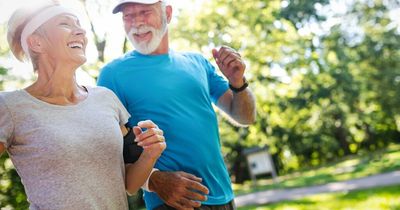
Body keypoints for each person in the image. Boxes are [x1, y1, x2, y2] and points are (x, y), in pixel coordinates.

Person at [0, 2, 166, 209]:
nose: (80, 31)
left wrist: (151, 153)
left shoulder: (106, 99)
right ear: (37, 42)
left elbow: (129, 184)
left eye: (79, 24)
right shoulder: (10, 106)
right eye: (65, 24)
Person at [98, 0, 256, 209]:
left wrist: (238, 83)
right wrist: (155, 181)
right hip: (172, 201)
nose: (136, 22)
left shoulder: (197, 62)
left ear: (168, 14)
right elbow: (108, 151)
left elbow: (245, 117)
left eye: (145, 12)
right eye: (128, 16)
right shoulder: (113, 74)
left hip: (224, 196)